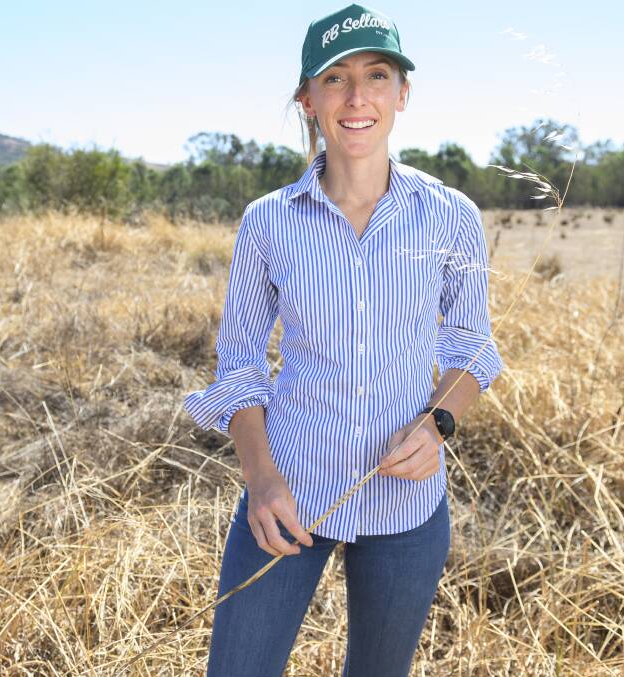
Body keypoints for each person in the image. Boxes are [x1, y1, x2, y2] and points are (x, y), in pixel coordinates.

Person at [182, 4, 504, 675]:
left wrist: (439, 420)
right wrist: (262, 479)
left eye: (377, 75)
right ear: (307, 99)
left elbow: (472, 344)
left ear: (402, 93)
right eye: (334, 79)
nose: (357, 97)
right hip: (287, 495)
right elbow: (238, 363)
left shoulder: (451, 217)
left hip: (406, 508)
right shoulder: (268, 223)